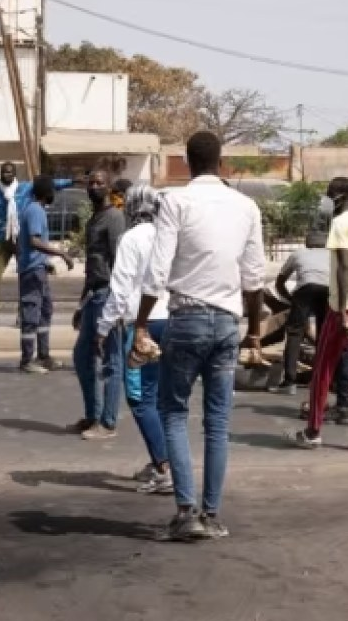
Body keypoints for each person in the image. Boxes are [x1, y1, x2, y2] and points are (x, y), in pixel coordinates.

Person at [133, 131, 265, 542]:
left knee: (173, 411)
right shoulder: (246, 206)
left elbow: (157, 271)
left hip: (187, 318)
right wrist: (256, 332)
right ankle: (211, 514)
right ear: (220, 162)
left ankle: (186, 510)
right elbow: (255, 276)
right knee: (217, 422)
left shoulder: (175, 201)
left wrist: (140, 324)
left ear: (188, 162)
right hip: (228, 322)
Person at [288, 177, 348, 453]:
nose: (326, 201)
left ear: (340, 197)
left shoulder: (340, 224)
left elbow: (343, 267)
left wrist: (340, 311)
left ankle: (313, 430)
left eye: (329, 195)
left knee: (323, 369)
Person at [98, 184, 172, 494]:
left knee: (140, 399)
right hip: (174, 321)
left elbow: (121, 287)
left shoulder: (131, 238)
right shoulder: (170, 236)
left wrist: (103, 327)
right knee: (164, 399)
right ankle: (163, 459)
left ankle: (164, 468)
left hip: (143, 325)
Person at [0, 163, 72, 329]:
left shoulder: (26, 188)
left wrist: (71, 181)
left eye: (10, 172)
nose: (7, 174)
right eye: (4, 172)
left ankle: (22, 315)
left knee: (24, 276)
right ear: (0, 174)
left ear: (14, 174)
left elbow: (50, 184)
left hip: (22, 239)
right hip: (2, 239)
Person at [70, 170, 128, 439]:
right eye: (91, 183)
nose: (93, 186)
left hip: (108, 295)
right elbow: (91, 265)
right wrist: (81, 305)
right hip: (93, 295)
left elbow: (119, 262)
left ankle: (108, 422)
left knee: (111, 362)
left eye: (99, 183)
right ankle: (92, 415)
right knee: (82, 358)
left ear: (109, 188)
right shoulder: (93, 219)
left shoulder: (114, 218)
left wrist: (118, 305)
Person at [18, 175, 75, 373]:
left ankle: (43, 355)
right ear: (46, 192)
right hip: (31, 271)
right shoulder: (34, 210)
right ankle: (27, 360)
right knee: (31, 313)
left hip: (39, 269)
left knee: (45, 312)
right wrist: (61, 253)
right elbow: (34, 241)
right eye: (52, 190)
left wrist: (47, 263)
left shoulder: (38, 210)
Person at [272, 231, 330, 396]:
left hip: (305, 289)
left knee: (295, 333)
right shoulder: (332, 254)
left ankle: (289, 381)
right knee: (324, 335)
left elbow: (280, 281)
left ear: (307, 243)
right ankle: (322, 378)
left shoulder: (298, 254)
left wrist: (289, 299)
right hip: (328, 291)